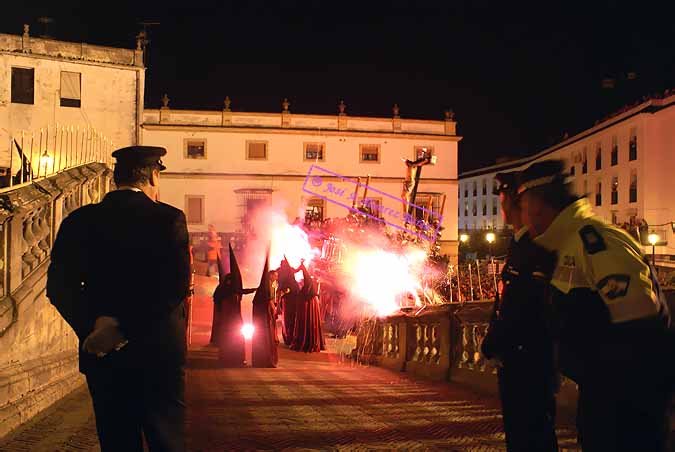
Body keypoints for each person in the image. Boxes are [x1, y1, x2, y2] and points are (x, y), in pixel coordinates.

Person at [518, 159, 673, 452]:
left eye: (523, 207)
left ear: (538, 204)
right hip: (603, 398)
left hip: (627, 410)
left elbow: (642, 331)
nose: (523, 217)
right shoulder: (567, 245)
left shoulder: (595, 241)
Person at [46, 146, 190, 452]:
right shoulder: (169, 219)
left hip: (102, 353)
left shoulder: (79, 220)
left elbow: (59, 287)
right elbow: (174, 288)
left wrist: (95, 328)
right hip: (158, 354)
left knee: (116, 441)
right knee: (166, 440)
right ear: (153, 174)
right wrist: (125, 328)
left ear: (116, 177)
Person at [481, 171, 559, 452]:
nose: (501, 206)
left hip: (528, 359)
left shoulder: (534, 247)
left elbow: (523, 305)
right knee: (523, 433)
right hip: (521, 357)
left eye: (503, 198)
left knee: (531, 434)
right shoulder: (521, 244)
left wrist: (494, 343)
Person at [290, 263, 326, 353]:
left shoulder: (309, 283)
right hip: (310, 302)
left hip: (309, 303)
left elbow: (306, 294)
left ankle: (307, 341)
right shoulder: (309, 282)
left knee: (309, 321)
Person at [251, 252, 279, 367]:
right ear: (270, 276)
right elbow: (267, 300)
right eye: (275, 275)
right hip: (263, 319)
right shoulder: (266, 286)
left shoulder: (272, 285)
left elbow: (272, 298)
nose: (276, 277)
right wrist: (271, 305)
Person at [278, 257, 301, 346]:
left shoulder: (287, 271)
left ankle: (290, 336)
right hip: (288, 299)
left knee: (290, 318)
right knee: (288, 318)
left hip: (291, 299)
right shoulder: (282, 271)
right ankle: (289, 336)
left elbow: (297, 270)